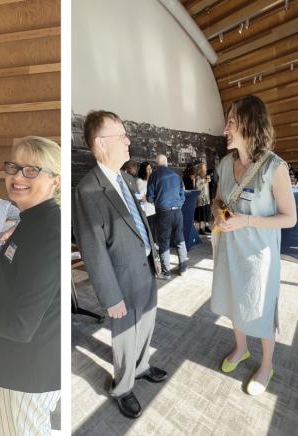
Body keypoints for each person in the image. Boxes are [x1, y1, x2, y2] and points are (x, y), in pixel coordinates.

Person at [0, 137, 63, 435]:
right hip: (22, 366)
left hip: (28, 371)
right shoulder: (30, 221)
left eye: (32, 170)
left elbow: (21, 324)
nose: (18, 176)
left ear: (54, 181)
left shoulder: (46, 231)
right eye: (14, 167)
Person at [74, 111, 167, 419]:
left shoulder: (124, 178)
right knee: (125, 336)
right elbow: (93, 249)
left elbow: (138, 222)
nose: (129, 141)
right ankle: (123, 386)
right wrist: (110, 296)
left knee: (147, 324)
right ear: (101, 143)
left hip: (143, 269)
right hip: (120, 277)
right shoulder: (88, 189)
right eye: (122, 136)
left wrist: (153, 256)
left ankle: (141, 368)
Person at [210, 95, 296, 395]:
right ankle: (241, 348)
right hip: (229, 251)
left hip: (260, 258)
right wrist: (219, 214)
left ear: (248, 123)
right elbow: (217, 200)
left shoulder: (275, 167)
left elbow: (289, 218)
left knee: (260, 307)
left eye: (231, 122)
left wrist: (246, 221)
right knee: (236, 302)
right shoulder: (224, 164)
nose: (225, 129)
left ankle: (267, 365)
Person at [147, 153, 188, 276]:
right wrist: (178, 204)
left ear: (156, 164)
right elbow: (183, 194)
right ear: (167, 163)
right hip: (178, 212)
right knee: (180, 240)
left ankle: (166, 272)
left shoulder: (154, 176)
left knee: (164, 241)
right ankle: (183, 269)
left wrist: (157, 201)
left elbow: (149, 198)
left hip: (163, 213)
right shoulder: (176, 175)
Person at [186, 161, 213, 235]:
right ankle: (201, 228)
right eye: (205, 167)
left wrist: (208, 181)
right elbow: (197, 187)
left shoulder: (205, 176)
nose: (206, 169)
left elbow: (207, 187)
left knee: (206, 213)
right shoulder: (198, 177)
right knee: (202, 214)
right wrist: (205, 181)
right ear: (201, 169)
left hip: (206, 198)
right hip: (201, 199)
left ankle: (206, 226)